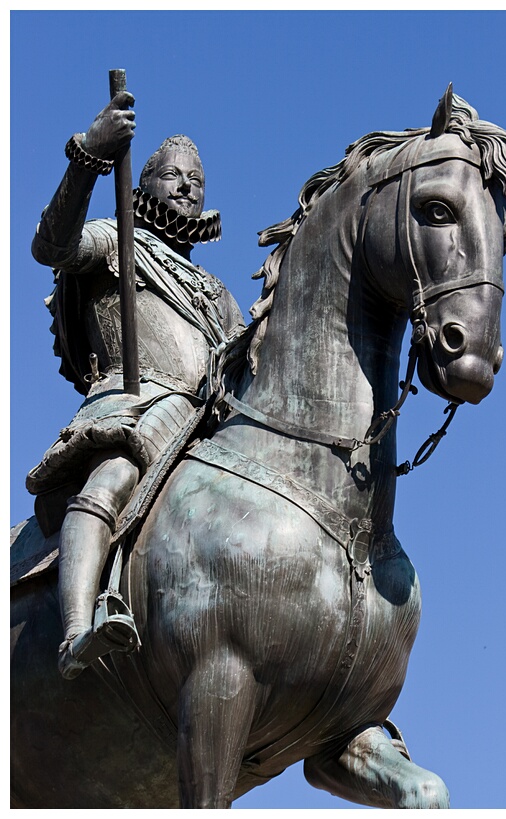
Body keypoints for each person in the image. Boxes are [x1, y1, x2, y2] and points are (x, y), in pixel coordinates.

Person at [26, 90, 244, 679]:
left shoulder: (215, 291)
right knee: (116, 474)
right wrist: (88, 158)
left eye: (196, 178)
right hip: (135, 404)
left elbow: (247, 365)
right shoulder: (117, 238)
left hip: (203, 428)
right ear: (144, 183)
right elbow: (52, 245)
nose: (188, 186)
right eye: (172, 175)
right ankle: (76, 630)